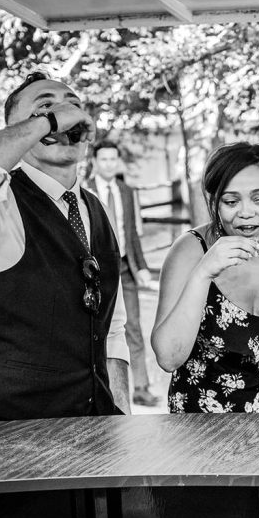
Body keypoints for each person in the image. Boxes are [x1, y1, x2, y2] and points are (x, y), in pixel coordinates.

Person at [0, 71, 130, 420]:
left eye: (73, 107)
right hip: (14, 430)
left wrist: (121, 412)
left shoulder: (96, 208)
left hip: (98, 424)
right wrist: (47, 123)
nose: (65, 115)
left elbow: (112, 326)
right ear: (16, 131)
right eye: (44, 108)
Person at [152, 142, 259, 413]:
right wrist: (202, 273)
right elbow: (168, 358)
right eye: (231, 202)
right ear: (215, 203)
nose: (246, 212)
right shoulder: (189, 251)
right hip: (206, 425)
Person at [90, 141, 160, 407]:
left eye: (112, 159)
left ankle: (141, 387)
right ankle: (106, 389)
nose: (108, 164)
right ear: (95, 162)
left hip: (125, 267)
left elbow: (132, 232)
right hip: (97, 269)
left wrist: (141, 266)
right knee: (103, 329)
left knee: (133, 327)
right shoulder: (85, 191)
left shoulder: (127, 191)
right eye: (103, 159)